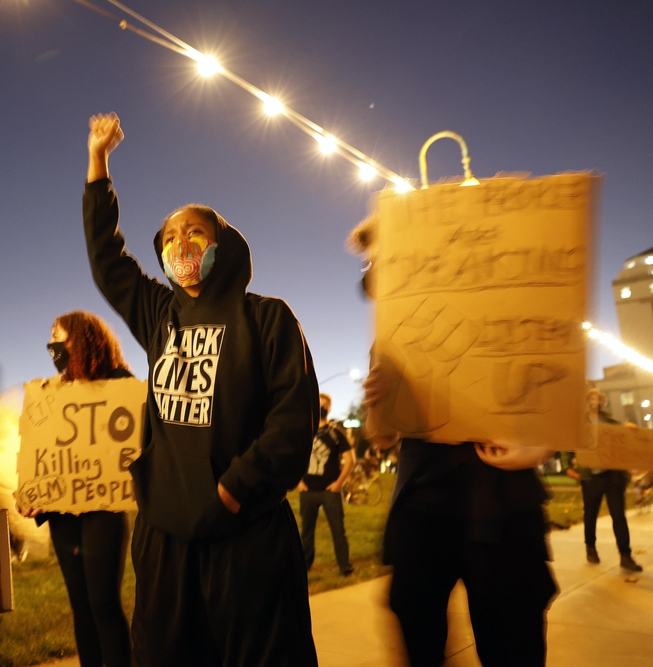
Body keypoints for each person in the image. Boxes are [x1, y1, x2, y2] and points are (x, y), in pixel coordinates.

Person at [82, 112, 320, 666]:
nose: (180, 243)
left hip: (248, 538)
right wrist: (98, 167)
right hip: (166, 541)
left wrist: (235, 488)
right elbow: (107, 261)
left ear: (223, 247)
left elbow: (292, 418)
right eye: (168, 237)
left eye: (194, 232)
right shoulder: (157, 313)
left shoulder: (267, 318)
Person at [352, 220, 558, 667]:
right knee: (418, 629)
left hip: (503, 506)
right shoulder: (390, 338)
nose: (376, 270)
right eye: (372, 261)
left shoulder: (508, 319)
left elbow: (554, 396)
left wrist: (538, 450)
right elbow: (382, 435)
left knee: (512, 642)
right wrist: (375, 403)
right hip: (424, 507)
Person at [18, 311, 134, 667]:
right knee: (80, 605)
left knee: (103, 602)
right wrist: (33, 493)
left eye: (60, 337)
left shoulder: (120, 384)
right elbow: (43, 452)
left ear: (84, 339)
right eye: (51, 338)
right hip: (62, 513)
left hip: (104, 510)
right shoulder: (51, 395)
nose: (53, 345)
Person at [563, 388, 642, 571]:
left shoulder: (611, 422)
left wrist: (629, 429)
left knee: (619, 517)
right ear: (586, 401)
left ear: (603, 401)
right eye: (591, 397)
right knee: (590, 515)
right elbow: (568, 445)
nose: (595, 400)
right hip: (590, 477)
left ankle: (625, 555)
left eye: (598, 397)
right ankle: (590, 547)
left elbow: (623, 438)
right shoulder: (579, 424)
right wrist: (568, 467)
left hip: (612, 476)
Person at [297, 393, 354, 575]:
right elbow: (293, 456)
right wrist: (298, 481)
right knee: (306, 532)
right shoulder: (304, 431)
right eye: (317, 404)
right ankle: (304, 566)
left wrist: (338, 483)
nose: (320, 408)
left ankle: (345, 566)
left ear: (329, 409)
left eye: (324, 406)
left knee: (338, 530)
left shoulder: (336, 434)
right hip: (307, 491)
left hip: (330, 491)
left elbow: (350, 459)